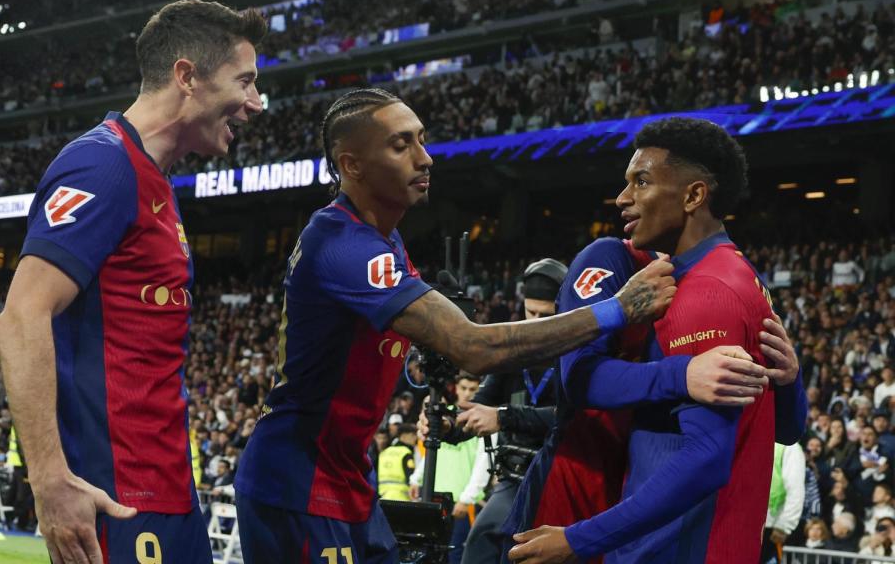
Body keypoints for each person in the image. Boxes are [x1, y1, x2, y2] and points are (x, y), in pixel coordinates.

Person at [234, 87, 686, 564]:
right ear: (352, 165)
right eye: (400, 145)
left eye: (422, 140)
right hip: (298, 481)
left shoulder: (380, 240)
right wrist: (617, 309)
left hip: (344, 474)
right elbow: (475, 347)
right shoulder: (345, 244)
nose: (425, 158)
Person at [0, 0, 266, 564]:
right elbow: (22, 315)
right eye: (245, 81)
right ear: (187, 75)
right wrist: (49, 482)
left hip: (165, 490)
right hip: (116, 499)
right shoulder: (103, 165)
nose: (256, 103)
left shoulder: (156, 182)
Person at [509, 117, 808, 563]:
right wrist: (790, 383)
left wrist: (578, 539)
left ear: (693, 195)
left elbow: (706, 457)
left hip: (675, 548)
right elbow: (787, 428)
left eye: (641, 181)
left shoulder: (705, 292)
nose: (623, 198)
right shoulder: (741, 277)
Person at [415, 257, 570, 564]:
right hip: (513, 478)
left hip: (558, 475)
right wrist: (448, 425)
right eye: (531, 311)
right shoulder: (511, 354)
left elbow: (567, 417)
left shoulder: (573, 354)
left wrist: (502, 417)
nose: (535, 321)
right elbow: (479, 407)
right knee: (481, 543)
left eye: (546, 314)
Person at [409, 374, 486, 564]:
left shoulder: (481, 418)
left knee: (455, 556)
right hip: (434, 496)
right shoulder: (446, 417)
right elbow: (432, 452)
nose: (467, 393)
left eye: (472, 389)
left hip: (459, 503)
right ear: (456, 389)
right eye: (464, 388)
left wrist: (466, 499)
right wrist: (415, 479)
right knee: (428, 554)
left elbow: (482, 464)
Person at [761, 443, 807, 563]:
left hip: (771, 526)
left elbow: (795, 490)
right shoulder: (756, 441)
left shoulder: (790, 448)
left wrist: (784, 526)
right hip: (748, 522)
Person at [378, 424, 418, 501]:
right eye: (412, 435)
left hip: (383, 498)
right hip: (401, 498)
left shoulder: (384, 453)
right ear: (403, 436)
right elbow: (411, 477)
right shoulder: (406, 453)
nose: (415, 438)